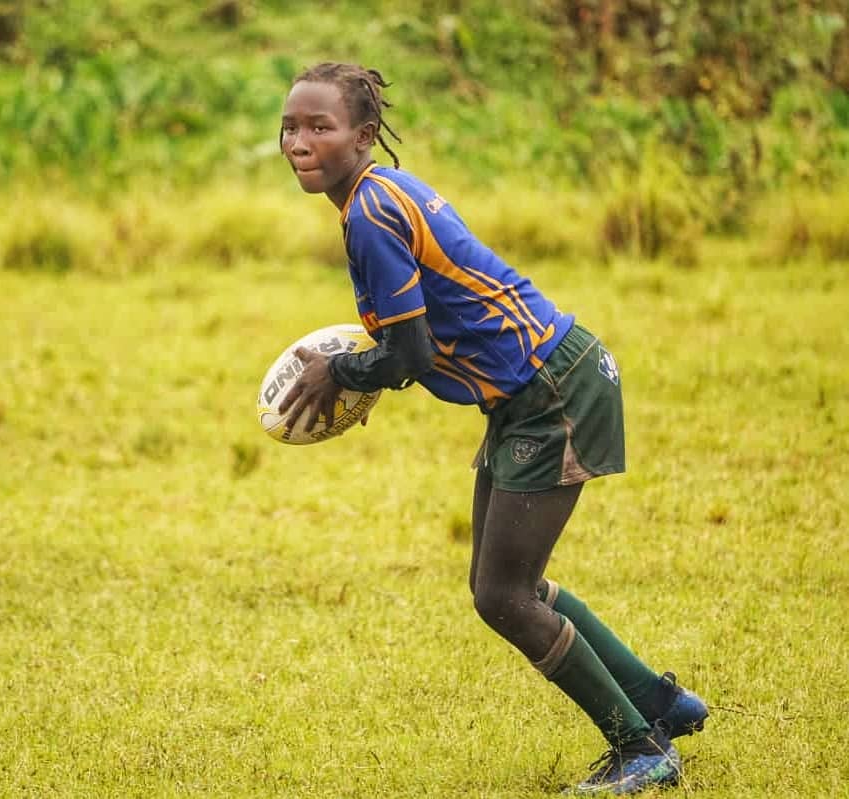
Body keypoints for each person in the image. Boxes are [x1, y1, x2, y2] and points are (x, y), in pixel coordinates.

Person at [277, 62, 708, 795]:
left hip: (551, 388)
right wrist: (365, 372)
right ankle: (664, 701)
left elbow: (408, 354)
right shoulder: (377, 198)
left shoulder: (373, 214)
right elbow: (417, 344)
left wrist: (340, 375)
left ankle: (644, 748)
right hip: (529, 390)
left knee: (503, 594)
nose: (299, 141)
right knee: (508, 583)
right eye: (290, 126)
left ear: (365, 135)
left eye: (320, 126)